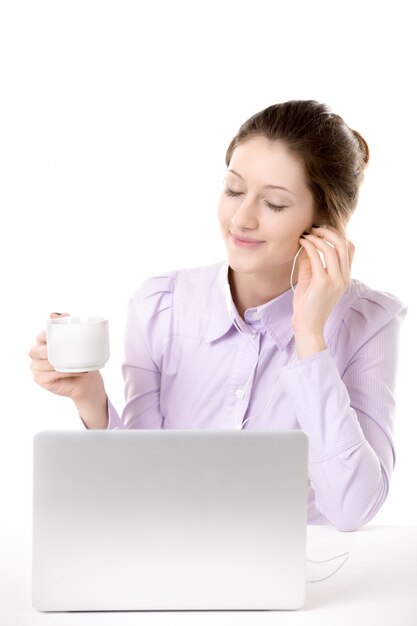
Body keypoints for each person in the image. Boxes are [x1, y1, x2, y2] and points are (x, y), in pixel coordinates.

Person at [29, 99, 407, 532]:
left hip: (306, 578)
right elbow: (142, 486)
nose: (241, 219)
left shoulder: (368, 321)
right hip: (174, 566)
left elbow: (352, 510)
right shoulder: (160, 306)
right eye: (233, 190)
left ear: (324, 225)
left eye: (275, 204)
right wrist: (91, 399)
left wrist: (309, 336)